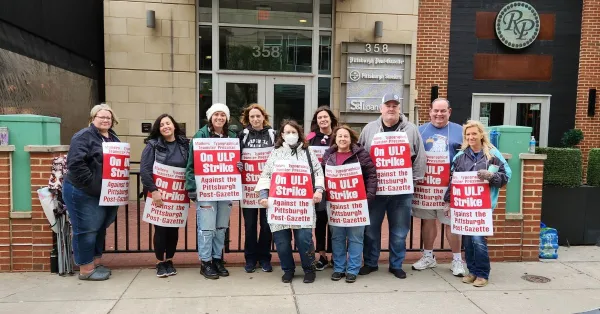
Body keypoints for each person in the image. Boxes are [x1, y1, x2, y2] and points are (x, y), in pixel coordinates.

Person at [358, 93, 426, 279]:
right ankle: (371, 262)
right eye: (388, 105)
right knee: (371, 230)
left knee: (399, 231)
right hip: (376, 191)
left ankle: (396, 265)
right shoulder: (370, 129)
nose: (391, 108)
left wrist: (413, 181)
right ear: (381, 108)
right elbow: (360, 155)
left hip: (401, 192)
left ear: (399, 108)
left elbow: (420, 157)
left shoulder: (411, 130)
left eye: (395, 105)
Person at [255, 120, 324, 284]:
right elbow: (266, 175)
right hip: (279, 206)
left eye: (294, 132)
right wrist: (263, 195)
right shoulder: (276, 153)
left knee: (304, 240)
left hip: (302, 206)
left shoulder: (308, 152)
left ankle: (309, 269)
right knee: (282, 241)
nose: (290, 135)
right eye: (287, 132)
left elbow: (318, 172)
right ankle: (288, 269)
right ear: (282, 135)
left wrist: (319, 190)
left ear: (299, 134)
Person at [444, 120, 510, 287]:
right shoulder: (460, 156)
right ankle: (472, 271)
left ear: (481, 134)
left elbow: (506, 176)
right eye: (468, 134)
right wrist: (448, 202)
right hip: (464, 206)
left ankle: (482, 273)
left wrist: (491, 176)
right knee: (467, 240)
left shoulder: (493, 154)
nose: (471, 137)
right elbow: (453, 181)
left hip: (483, 206)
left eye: (474, 133)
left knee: (478, 239)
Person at [63, 103, 121, 281]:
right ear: (93, 118)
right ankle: (86, 269)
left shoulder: (112, 138)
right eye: (101, 117)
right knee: (86, 229)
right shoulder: (83, 136)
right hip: (83, 191)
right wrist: (92, 182)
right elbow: (75, 163)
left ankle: (95, 263)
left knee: (99, 228)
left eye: (108, 117)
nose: (105, 120)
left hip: (104, 192)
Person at [412, 98, 466, 276]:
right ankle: (428, 256)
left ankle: (457, 260)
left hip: (450, 186)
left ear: (449, 111)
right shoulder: (420, 130)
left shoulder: (461, 131)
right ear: (430, 111)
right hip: (427, 186)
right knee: (428, 222)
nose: (439, 114)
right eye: (436, 110)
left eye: (443, 111)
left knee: (451, 224)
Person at [185, 103, 237, 280]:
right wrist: (191, 188)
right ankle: (205, 261)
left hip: (225, 189)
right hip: (206, 189)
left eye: (223, 115)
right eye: (216, 115)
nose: (220, 118)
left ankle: (217, 259)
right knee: (206, 227)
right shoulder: (200, 136)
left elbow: (236, 161)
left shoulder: (231, 136)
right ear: (210, 117)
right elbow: (191, 164)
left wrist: (239, 165)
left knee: (221, 227)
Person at [321, 126, 377, 283]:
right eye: (339, 136)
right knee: (337, 237)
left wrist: (368, 197)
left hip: (356, 204)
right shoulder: (329, 155)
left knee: (356, 238)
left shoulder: (360, 154)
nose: (342, 139)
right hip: (336, 205)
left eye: (345, 136)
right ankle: (339, 268)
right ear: (335, 138)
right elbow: (322, 176)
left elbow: (371, 175)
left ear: (351, 138)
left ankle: (353, 269)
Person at [140, 114, 189, 278]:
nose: (165, 127)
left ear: (174, 126)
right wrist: (153, 191)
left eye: (168, 123)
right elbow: (145, 170)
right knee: (160, 229)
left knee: (173, 229)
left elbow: (190, 167)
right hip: (159, 194)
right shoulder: (152, 145)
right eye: (162, 125)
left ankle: (169, 260)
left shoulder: (184, 145)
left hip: (178, 195)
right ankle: (160, 262)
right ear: (158, 129)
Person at [238, 104, 276, 273]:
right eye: (252, 117)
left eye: (258, 116)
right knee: (250, 225)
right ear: (248, 119)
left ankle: (265, 257)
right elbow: (234, 156)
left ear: (263, 117)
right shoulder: (243, 135)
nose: (255, 119)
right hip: (248, 188)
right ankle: (251, 258)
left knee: (267, 225)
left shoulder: (272, 134)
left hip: (268, 188)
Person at [307, 106, 339, 270]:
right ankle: (322, 256)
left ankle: (336, 255)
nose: (323, 120)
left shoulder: (338, 135)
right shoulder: (311, 137)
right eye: (320, 118)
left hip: (336, 185)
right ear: (316, 120)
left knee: (335, 221)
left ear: (331, 119)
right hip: (318, 187)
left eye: (325, 117)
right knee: (320, 221)